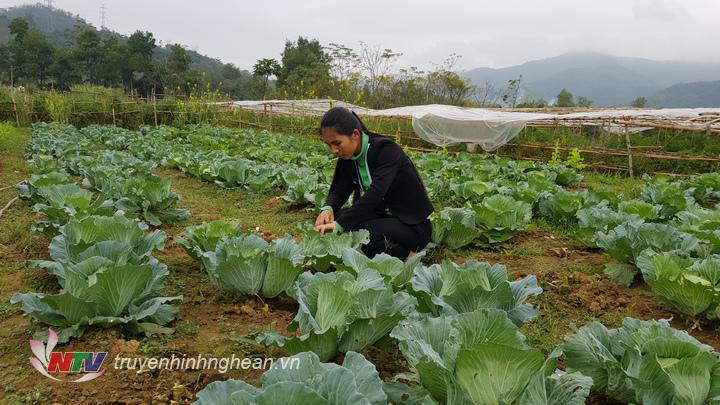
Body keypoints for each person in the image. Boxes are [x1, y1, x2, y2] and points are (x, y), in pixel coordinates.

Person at [314, 107, 434, 260]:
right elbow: (341, 189)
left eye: (337, 143)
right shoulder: (349, 157)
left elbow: (375, 194)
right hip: (383, 216)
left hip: (412, 224)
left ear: (355, 135)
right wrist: (328, 209)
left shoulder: (386, 150)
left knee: (362, 233)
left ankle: (409, 255)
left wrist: (340, 226)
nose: (334, 150)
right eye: (328, 145)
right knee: (336, 217)